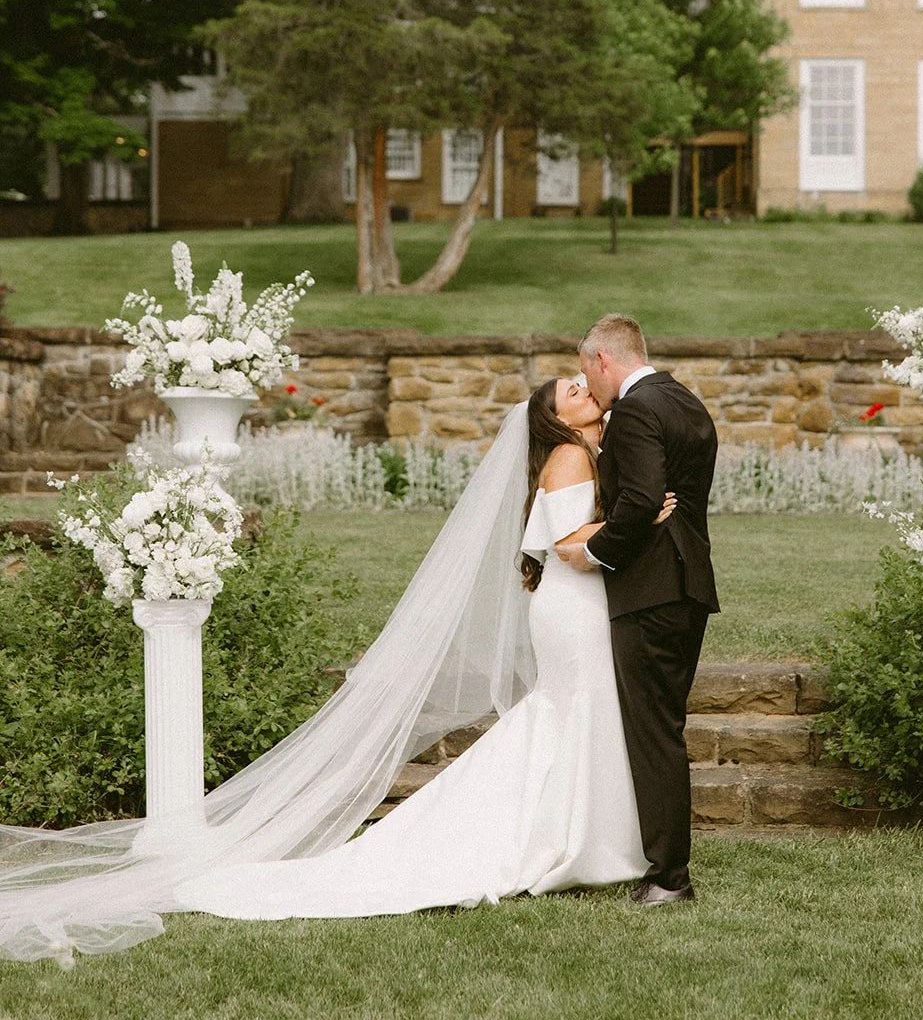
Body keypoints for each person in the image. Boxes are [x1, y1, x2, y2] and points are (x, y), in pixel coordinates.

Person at [170, 376, 678, 922]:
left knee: (577, 712)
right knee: (573, 710)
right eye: (571, 394)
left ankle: (591, 839)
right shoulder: (569, 457)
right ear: (557, 419)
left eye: (581, 385)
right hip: (572, 606)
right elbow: (567, 543)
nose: (583, 391)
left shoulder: (583, 451)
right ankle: (567, 843)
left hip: (575, 604)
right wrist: (638, 521)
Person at [558, 313, 718, 906]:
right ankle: (664, 864)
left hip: (649, 592)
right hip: (687, 586)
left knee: (653, 733)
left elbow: (646, 498)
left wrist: (592, 552)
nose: (590, 391)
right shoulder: (686, 402)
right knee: (664, 729)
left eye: (585, 374)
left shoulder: (634, 409)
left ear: (603, 360)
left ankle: (669, 877)